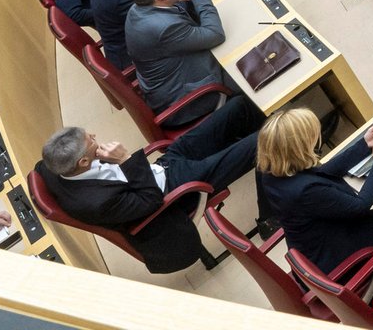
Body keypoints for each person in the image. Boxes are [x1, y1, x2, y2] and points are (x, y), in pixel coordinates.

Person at [33, 107, 262, 273]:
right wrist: (124, 158)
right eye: (90, 140)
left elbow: (37, 170)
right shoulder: (97, 203)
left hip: (159, 167)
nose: (94, 136)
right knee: (263, 141)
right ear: (83, 162)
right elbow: (151, 200)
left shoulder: (50, 166)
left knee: (238, 108)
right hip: (173, 193)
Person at [254, 107, 373, 277]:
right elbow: (360, 206)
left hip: (319, 247)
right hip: (341, 263)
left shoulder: (271, 173)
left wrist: (364, 144)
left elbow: (322, 172)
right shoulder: (306, 191)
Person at [125, 0, 233, 127]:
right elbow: (216, 35)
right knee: (248, 69)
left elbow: (173, 14)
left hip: (174, 79)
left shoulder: (139, 8)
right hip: (188, 99)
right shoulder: (163, 28)